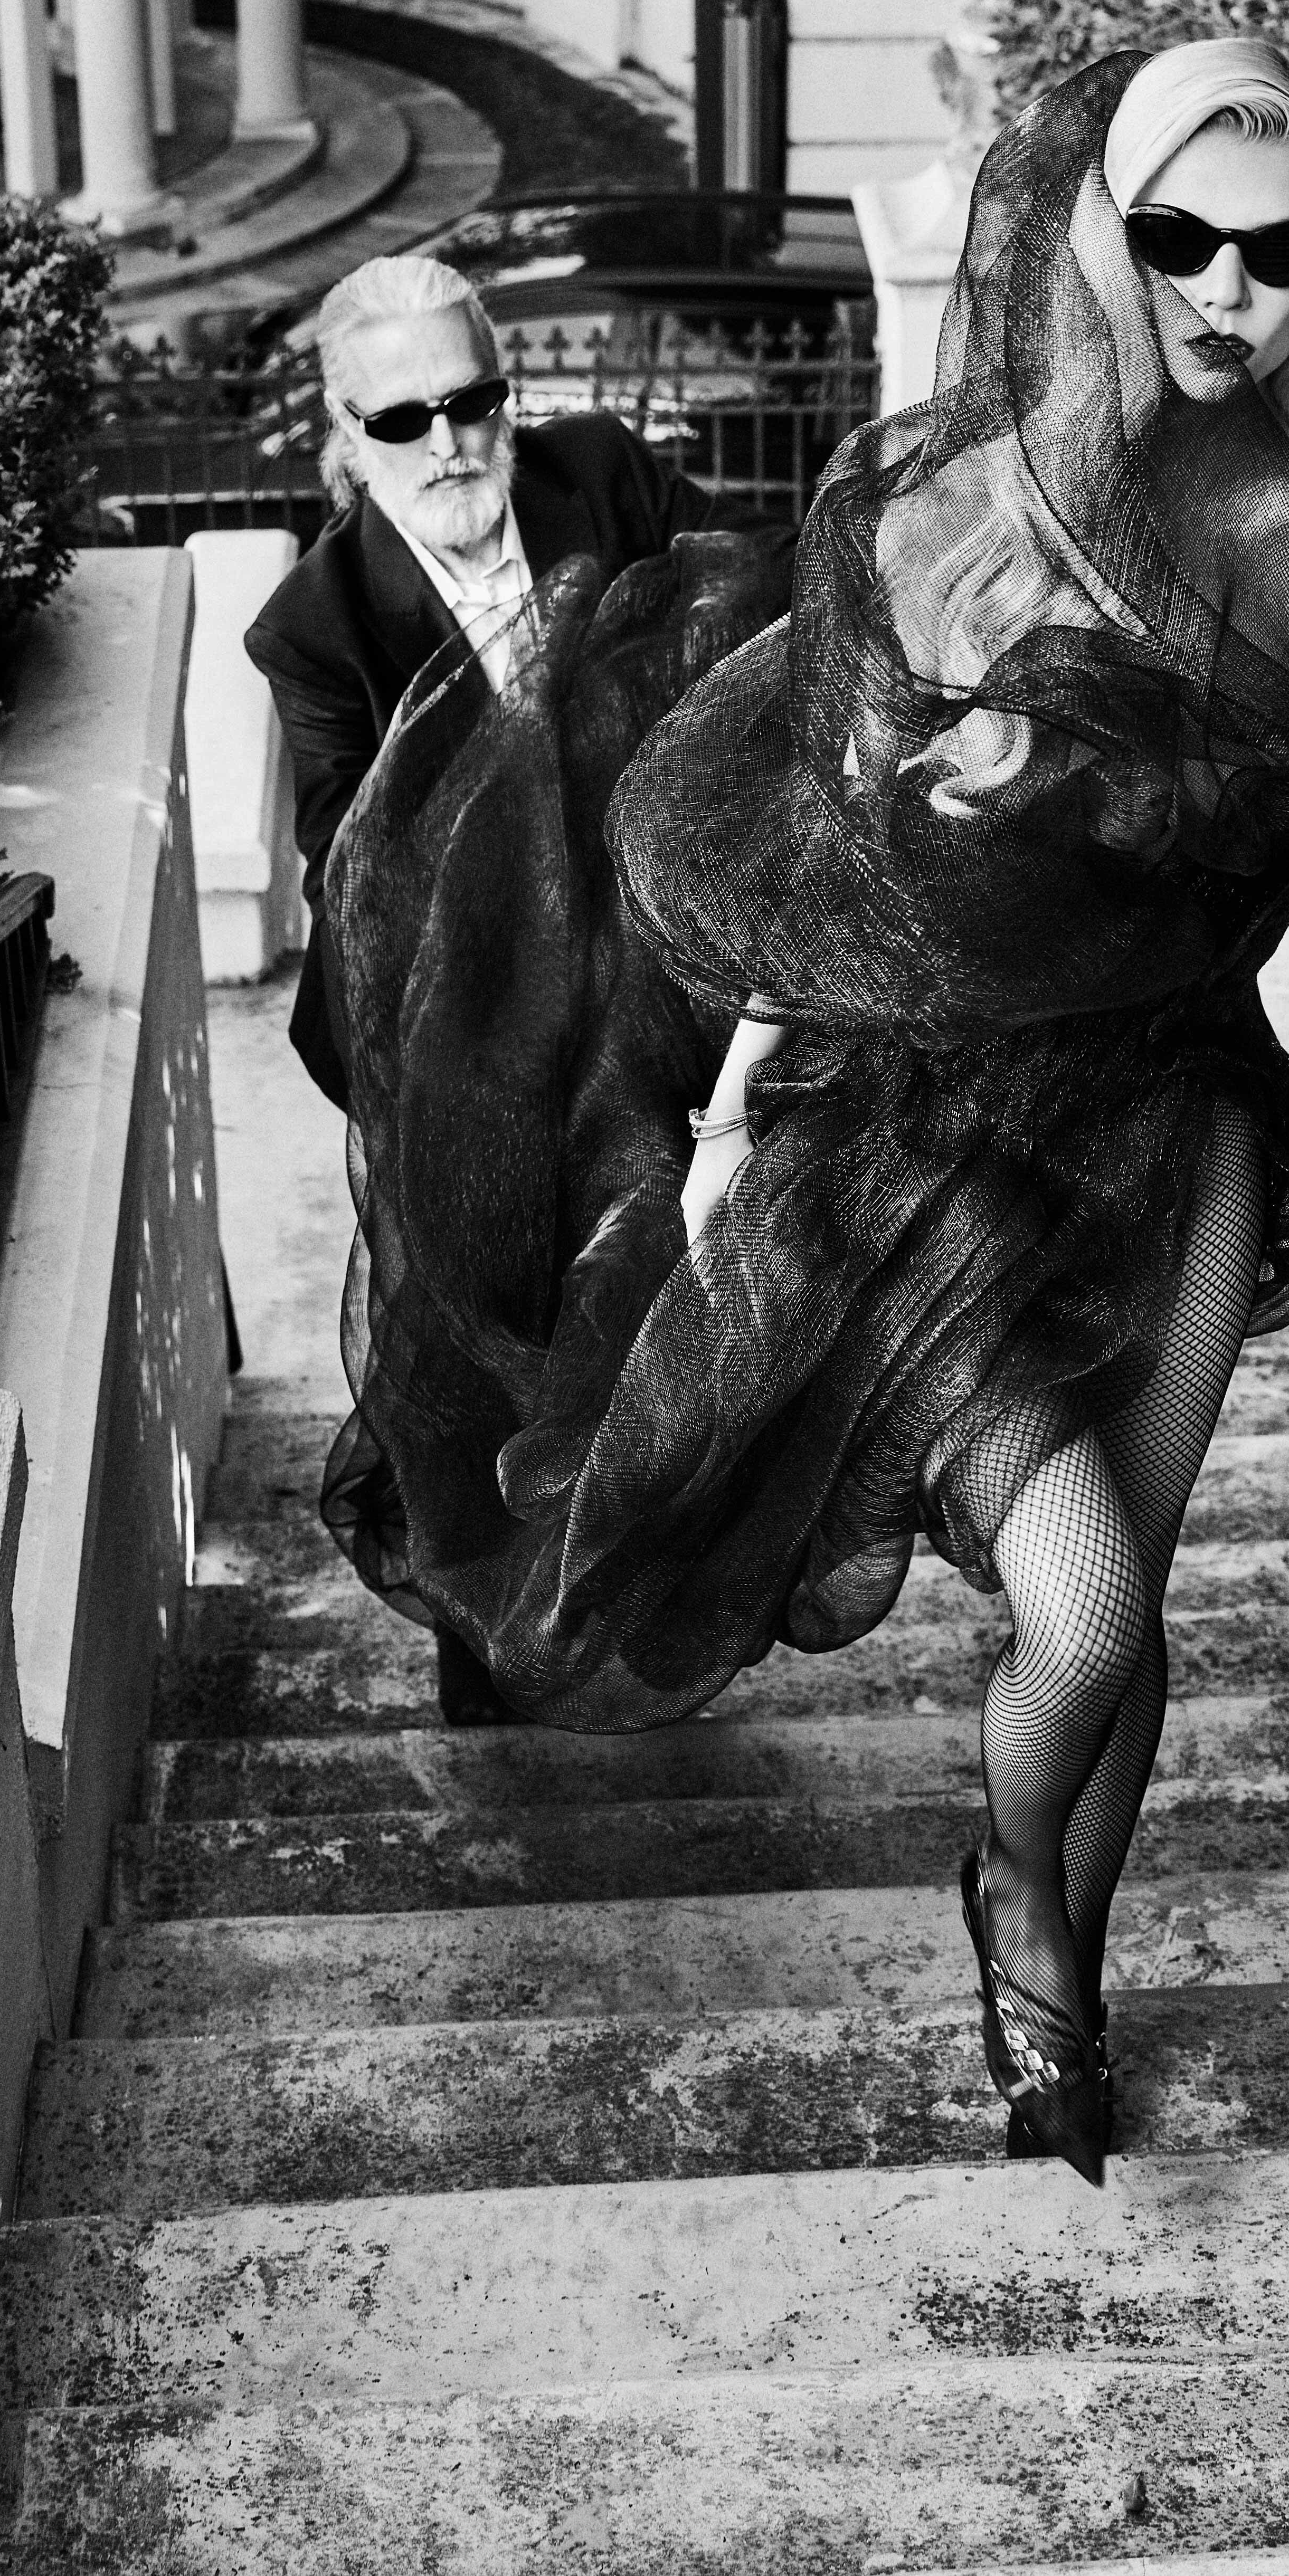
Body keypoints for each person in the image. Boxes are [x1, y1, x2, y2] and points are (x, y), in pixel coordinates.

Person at [318, 41, 1289, 2181]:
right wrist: (730, 1126)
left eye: (1279, 250)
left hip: (1185, 1128)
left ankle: (1057, 1978)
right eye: (1177, 239)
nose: (1226, 290)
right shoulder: (956, 508)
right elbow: (820, 871)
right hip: (928, 1149)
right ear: (1100, 245)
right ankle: (1012, 1889)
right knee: (1079, 1610)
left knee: (1128, 1618)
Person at [245, 252, 769, 1724]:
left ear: (508, 395)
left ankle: (652, 1612)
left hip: (659, 1000)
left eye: (472, 402)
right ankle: (495, 1651)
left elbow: (751, 644)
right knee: (478, 1358)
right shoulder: (318, 626)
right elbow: (352, 865)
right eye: (401, 420)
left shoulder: (605, 479)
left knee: (666, 1314)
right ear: (346, 436)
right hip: (460, 1041)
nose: (450, 444)